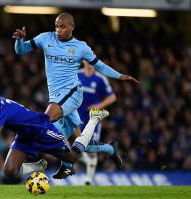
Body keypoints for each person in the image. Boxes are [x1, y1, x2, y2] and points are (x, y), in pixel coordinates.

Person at [13, 12, 140, 178]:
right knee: (78, 143)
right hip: (56, 96)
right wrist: (19, 40)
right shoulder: (45, 38)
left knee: (44, 123)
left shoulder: (81, 47)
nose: (58, 29)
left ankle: (39, 161)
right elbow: (21, 51)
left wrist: (121, 76)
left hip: (72, 93)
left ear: (72, 27)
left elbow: (100, 66)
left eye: (63, 26)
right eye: (57, 26)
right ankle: (109, 149)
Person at [0, 89, 110, 178]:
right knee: (9, 171)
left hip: (42, 130)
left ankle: (94, 119)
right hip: (25, 136)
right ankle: (38, 166)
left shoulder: (0, 109)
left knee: (74, 158)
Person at [78, 60, 117, 185]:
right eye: (87, 60)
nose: (89, 63)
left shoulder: (100, 79)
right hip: (76, 116)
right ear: (83, 61)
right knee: (74, 144)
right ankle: (99, 153)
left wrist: (99, 105)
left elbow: (112, 97)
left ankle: (88, 179)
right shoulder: (76, 75)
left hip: (92, 118)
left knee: (91, 148)